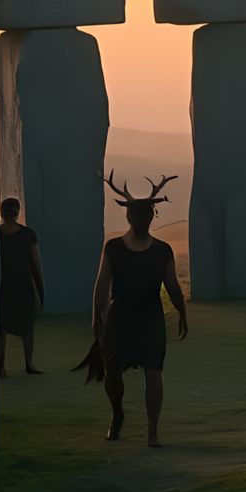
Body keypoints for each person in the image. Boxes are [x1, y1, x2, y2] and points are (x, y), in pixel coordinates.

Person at [87, 173, 188, 447]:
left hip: (149, 317)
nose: (143, 218)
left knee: (153, 371)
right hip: (121, 317)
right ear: (130, 217)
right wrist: (97, 317)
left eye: (146, 214)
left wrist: (182, 311)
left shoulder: (162, 251)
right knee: (113, 372)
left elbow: (172, 286)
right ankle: (117, 413)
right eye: (138, 214)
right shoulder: (114, 249)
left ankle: (152, 430)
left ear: (151, 217)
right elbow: (102, 285)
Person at [0, 197, 45, 377]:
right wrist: (40, 288)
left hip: (2, 286)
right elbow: (36, 264)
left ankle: (1, 367)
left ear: (2, 213)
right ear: (17, 213)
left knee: (1, 329)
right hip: (23, 285)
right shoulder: (28, 235)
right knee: (27, 327)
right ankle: (29, 364)